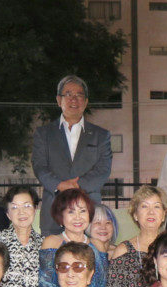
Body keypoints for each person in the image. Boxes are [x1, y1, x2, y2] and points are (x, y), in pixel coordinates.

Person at [32, 75, 113, 234]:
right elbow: (39, 167)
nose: (73, 99)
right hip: (53, 213)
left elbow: (103, 169)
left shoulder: (101, 135)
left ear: (86, 101)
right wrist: (59, 185)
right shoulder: (43, 134)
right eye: (68, 94)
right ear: (58, 100)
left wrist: (77, 186)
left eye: (79, 95)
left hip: (90, 214)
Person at [38, 190, 109, 287]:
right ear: (61, 216)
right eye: (71, 212)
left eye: (82, 211)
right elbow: (46, 286)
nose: (78, 217)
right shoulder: (52, 243)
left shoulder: (98, 245)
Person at [107, 185, 167, 287]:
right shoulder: (124, 250)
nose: (151, 212)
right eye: (144, 206)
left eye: (156, 206)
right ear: (135, 214)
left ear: (163, 215)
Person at [0, 187, 44, 287]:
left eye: (27, 206)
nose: (21, 212)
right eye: (14, 207)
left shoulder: (45, 244)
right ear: (8, 214)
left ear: (35, 209)